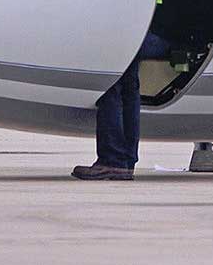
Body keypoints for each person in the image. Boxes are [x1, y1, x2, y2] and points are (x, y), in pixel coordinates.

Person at [73, 26, 172, 180]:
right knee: (129, 87)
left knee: (110, 86)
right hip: (148, 32)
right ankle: (125, 162)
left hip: (126, 32)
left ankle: (113, 160)